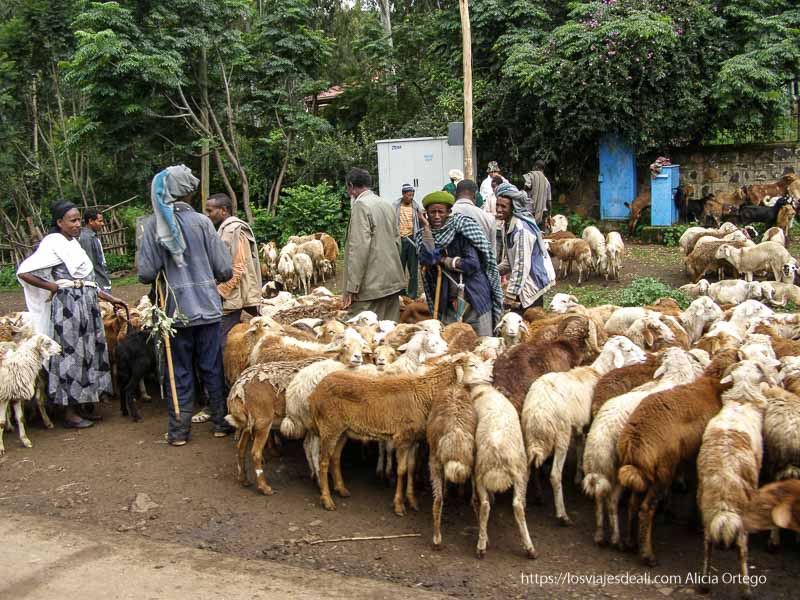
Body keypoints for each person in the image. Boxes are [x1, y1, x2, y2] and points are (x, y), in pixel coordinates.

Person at [138, 164, 233, 446]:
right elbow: (224, 269)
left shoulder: (155, 225)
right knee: (212, 367)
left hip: (174, 312)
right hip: (207, 308)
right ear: (190, 193)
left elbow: (145, 273)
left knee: (178, 369)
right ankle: (219, 423)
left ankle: (179, 431)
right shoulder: (204, 223)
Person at [17, 201, 127, 428]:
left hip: (86, 305)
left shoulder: (74, 244)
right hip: (68, 308)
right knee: (70, 355)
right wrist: (52, 287)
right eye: (73, 220)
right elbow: (24, 271)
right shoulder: (52, 244)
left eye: (78, 220)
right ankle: (67, 411)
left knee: (87, 352)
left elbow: (87, 282)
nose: (77, 224)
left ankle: (82, 404)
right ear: (59, 222)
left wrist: (110, 298)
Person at [416, 191, 503, 336]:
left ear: (449, 212)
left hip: (474, 298)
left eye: (440, 212)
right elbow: (428, 259)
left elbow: (472, 264)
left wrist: (445, 261)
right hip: (447, 301)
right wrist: (426, 228)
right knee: (450, 345)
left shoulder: (463, 229)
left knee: (482, 345)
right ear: (426, 214)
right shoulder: (424, 235)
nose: (437, 216)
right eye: (432, 212)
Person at [342, 168, 406, 321]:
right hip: (391, 282)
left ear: (351, 186)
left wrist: (352, 287)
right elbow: (397, 242)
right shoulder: (386, 204)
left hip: (370, 287)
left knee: (358, 334)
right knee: (389, 334)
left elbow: (358, 249)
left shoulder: (361, 206)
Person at [203, 192, 262, 346]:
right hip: (232, 296)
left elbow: (238, 266)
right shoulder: (224, 230)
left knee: (221, 343)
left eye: (210, 211)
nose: (207, 215)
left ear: (223, 210)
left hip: (232, 299)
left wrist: (220, 292)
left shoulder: (232, 230)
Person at [494, 183, 556, 311]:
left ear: (513, 207)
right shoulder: (507, 225)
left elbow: (521, 264)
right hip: (524, 282)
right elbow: (510, 259)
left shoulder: (521, 230)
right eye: (497, 205)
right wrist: (493, 271)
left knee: (529, 324)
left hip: (532, 283)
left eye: (503, 206)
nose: (499, 209)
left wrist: (510, 295)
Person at [451, 179, 497, 259]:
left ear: (455, 195)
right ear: (475, 195)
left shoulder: (445, 215)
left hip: (450, 268)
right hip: (480, 268)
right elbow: (492, 254)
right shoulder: (488, 218)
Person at [392, 183, 424, 299]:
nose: (410, 197)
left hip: (412, 240)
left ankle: (412, 295)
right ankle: (400, 294)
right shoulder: (395, 206)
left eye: (412, 195)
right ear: (403, 194)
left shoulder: (416, 207)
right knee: (399, 269)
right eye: (408, 195)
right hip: (400, 240)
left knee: (413, 271)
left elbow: (421, 224)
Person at [78, 209, 112, 293]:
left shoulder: (93, 236)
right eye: (100, 221)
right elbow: (89, 265)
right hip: (98, 284)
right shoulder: (86, 238)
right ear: (90, 221)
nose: (102, 224)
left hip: (102, 280)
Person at [522, 160, 552, 226]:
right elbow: (549, 202)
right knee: (541, 234)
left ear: (535, 167)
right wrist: (549, 214)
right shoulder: (547, 182)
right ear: (543, 168)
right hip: (542, 213)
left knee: (529, 233)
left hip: (530, 211)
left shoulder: (531, 176)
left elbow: (525, 189)